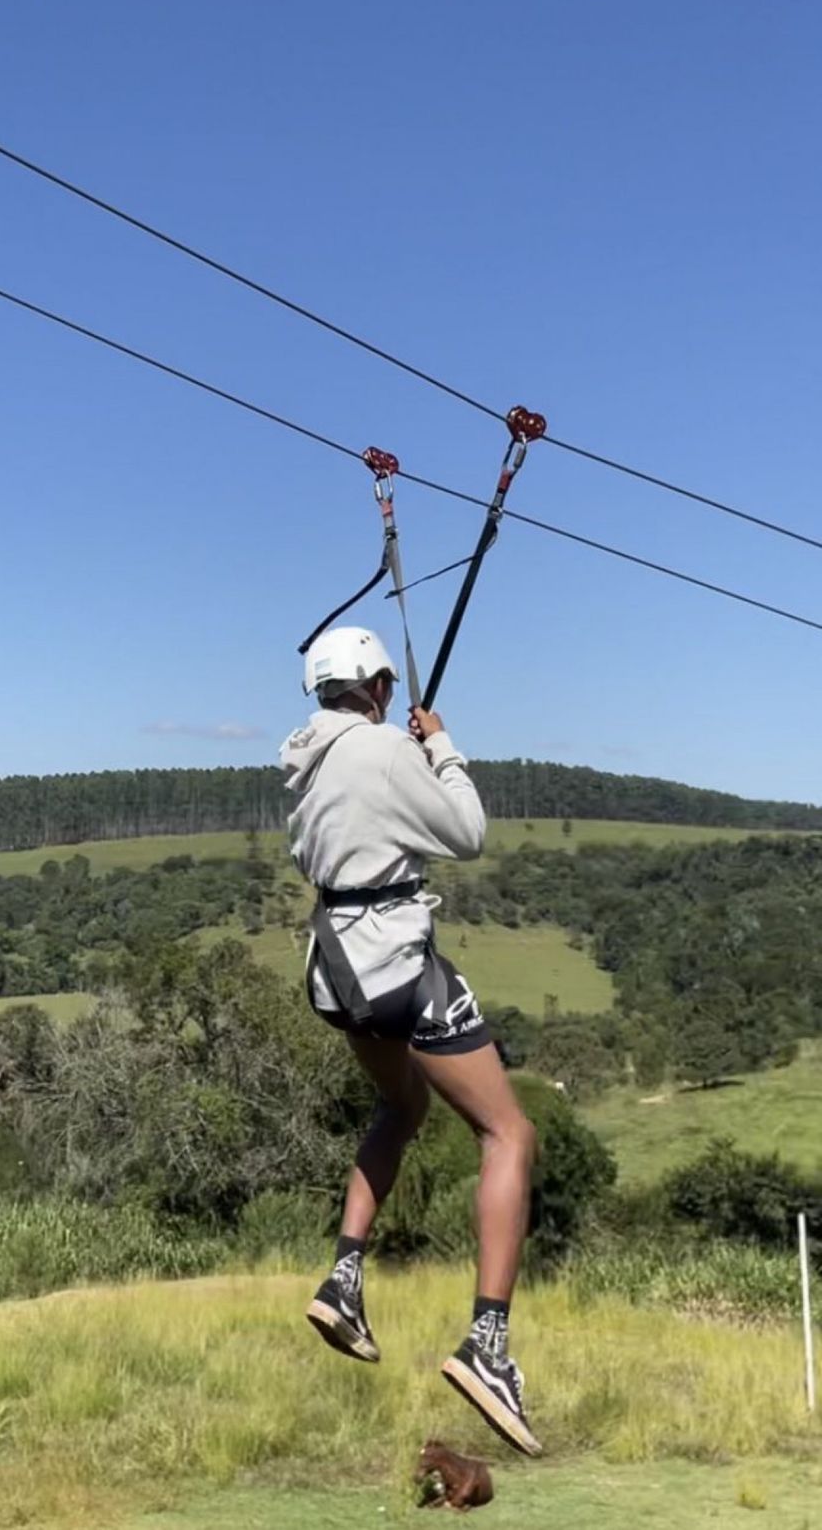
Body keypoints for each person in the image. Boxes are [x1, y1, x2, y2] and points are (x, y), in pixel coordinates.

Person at [280, 625, 542, 1458]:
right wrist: (442, 750)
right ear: (380, 687)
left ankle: (344, 1278)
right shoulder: (386, 749)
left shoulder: (307, 757)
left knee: (402, 1106)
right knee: (509, 1134)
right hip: (394, 964)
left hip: (335, 973)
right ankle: (487, 1346)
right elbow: (466, 832)